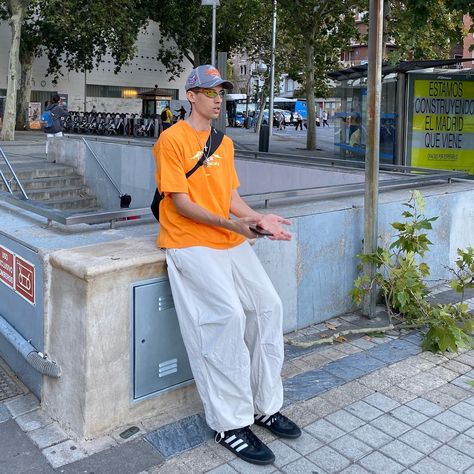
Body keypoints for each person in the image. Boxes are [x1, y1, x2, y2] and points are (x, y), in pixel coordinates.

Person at [153, 65, 301, 466]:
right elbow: (181, 202)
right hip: (188, 241)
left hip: (229, 238)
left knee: (268, 307)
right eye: (210, 92)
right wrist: (231, 224)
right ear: (192, 96)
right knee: (225, 316)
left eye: (221, 92)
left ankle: (264, 404)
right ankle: (228, 422)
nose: (218, 99)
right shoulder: (172, 140)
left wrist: (255, 219)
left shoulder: (225, 143)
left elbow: (231, 197)